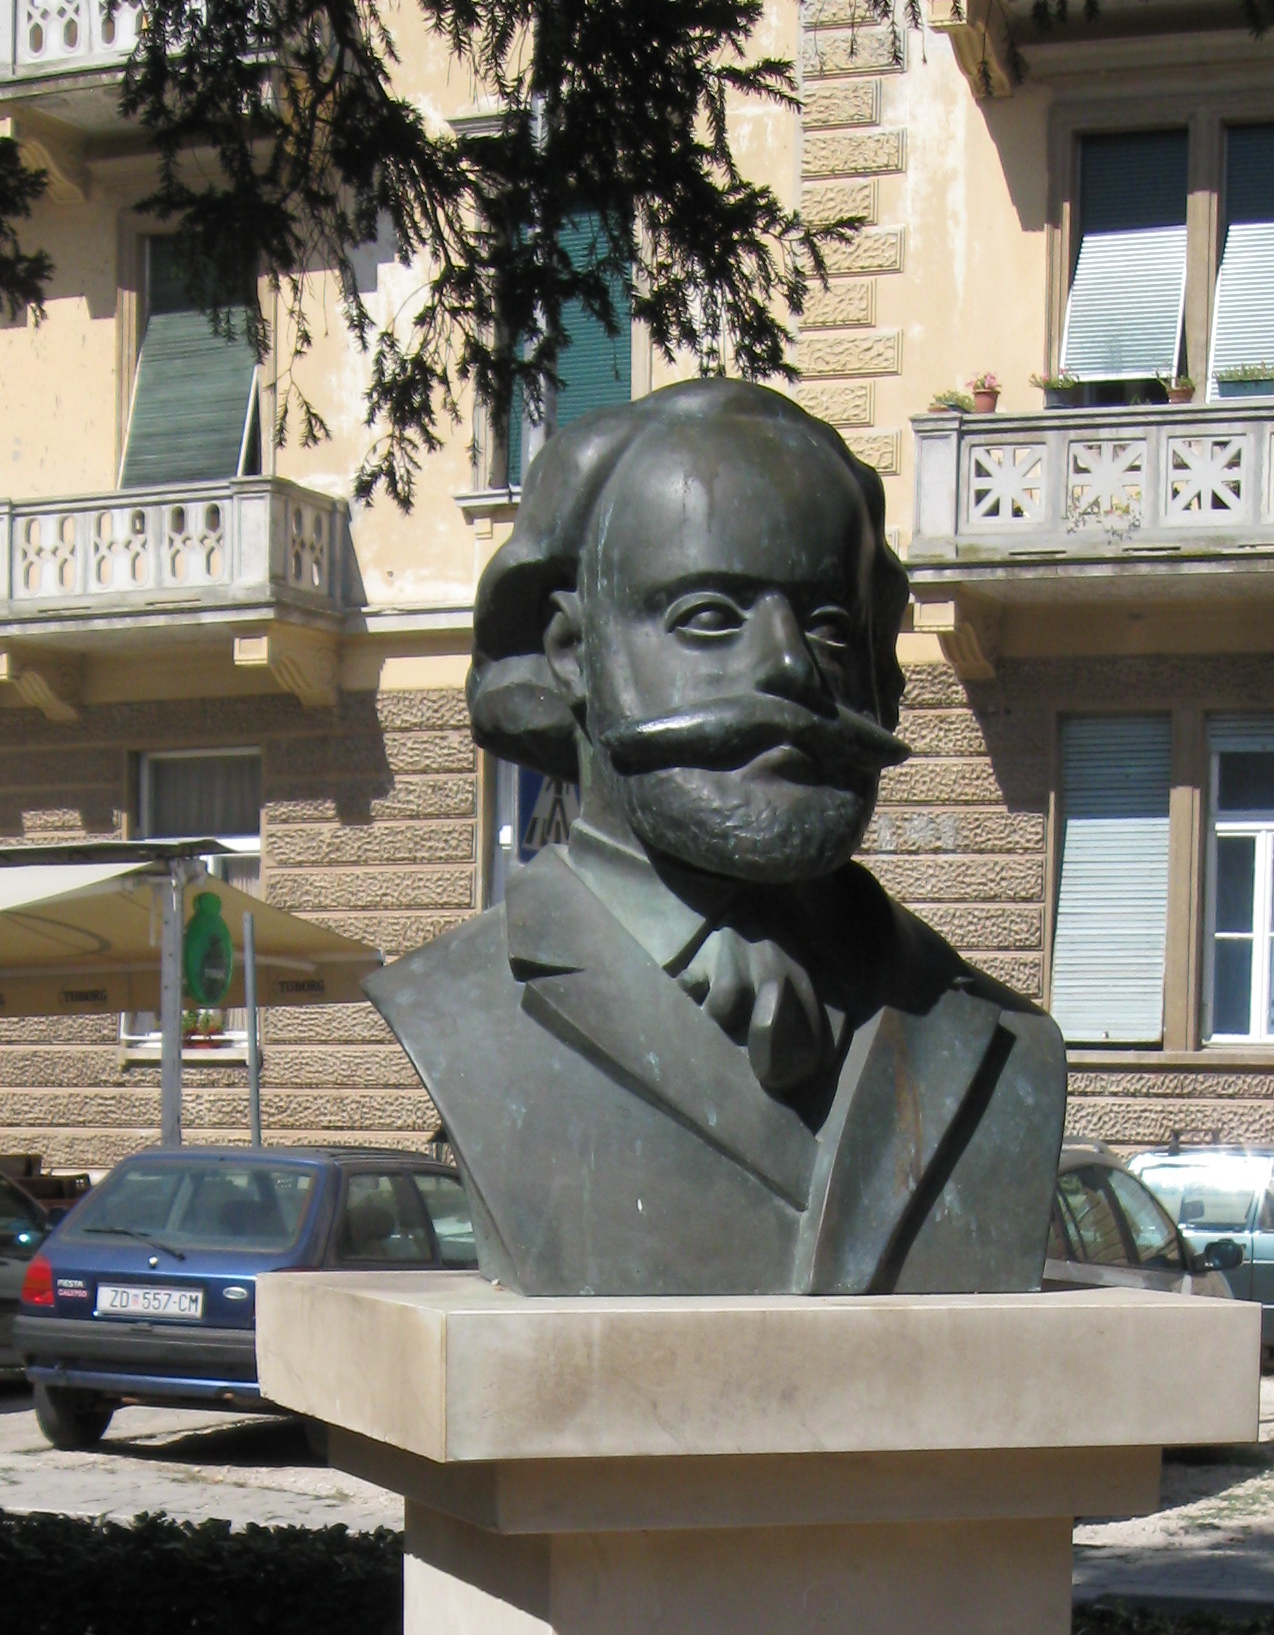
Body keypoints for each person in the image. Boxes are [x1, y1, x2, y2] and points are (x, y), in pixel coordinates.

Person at [363, 379, 1065, 1294]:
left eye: (828, 625)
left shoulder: (1006, 1041)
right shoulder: (456, 1007)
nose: (789, 667)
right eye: (709, 618)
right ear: (574, 650)